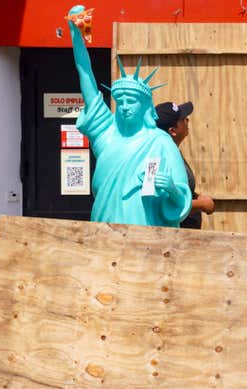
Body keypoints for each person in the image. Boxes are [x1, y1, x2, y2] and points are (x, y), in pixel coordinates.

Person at [66, 5, 191, 227]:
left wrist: (171, 187)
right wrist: (77, 37)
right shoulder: (106, 134)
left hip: (146, 237)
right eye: (120, 101)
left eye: (131, 101)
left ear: (145, 106)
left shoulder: (160, 143)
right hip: (104, 231)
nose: (124, 106)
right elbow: (86, 78)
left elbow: (181, 200)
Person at [155, 101, 215, 229]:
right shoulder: (161, 157)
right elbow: (164, 203)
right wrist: (201, 204)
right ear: (173, 131)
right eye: (183, 119)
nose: (187, 121)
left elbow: (179, 189)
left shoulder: (174, 152)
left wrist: (197, 196)